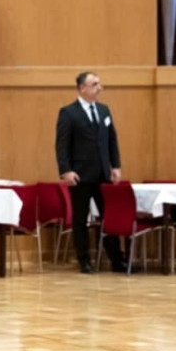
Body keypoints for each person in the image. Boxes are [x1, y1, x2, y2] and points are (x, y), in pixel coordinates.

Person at [55, 71, 127, 274]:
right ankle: (84, 260)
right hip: (80, 175)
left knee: (109, 217)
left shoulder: (104, 111)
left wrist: (115, 166)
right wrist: (66, 171)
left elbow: (112, 140)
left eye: (99, 83)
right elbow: (61, 145)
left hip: (103, 174)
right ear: (82, 88)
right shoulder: (68, 113)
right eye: (95, 84)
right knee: (81, 219)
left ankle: (116, 259)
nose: (99, 87)